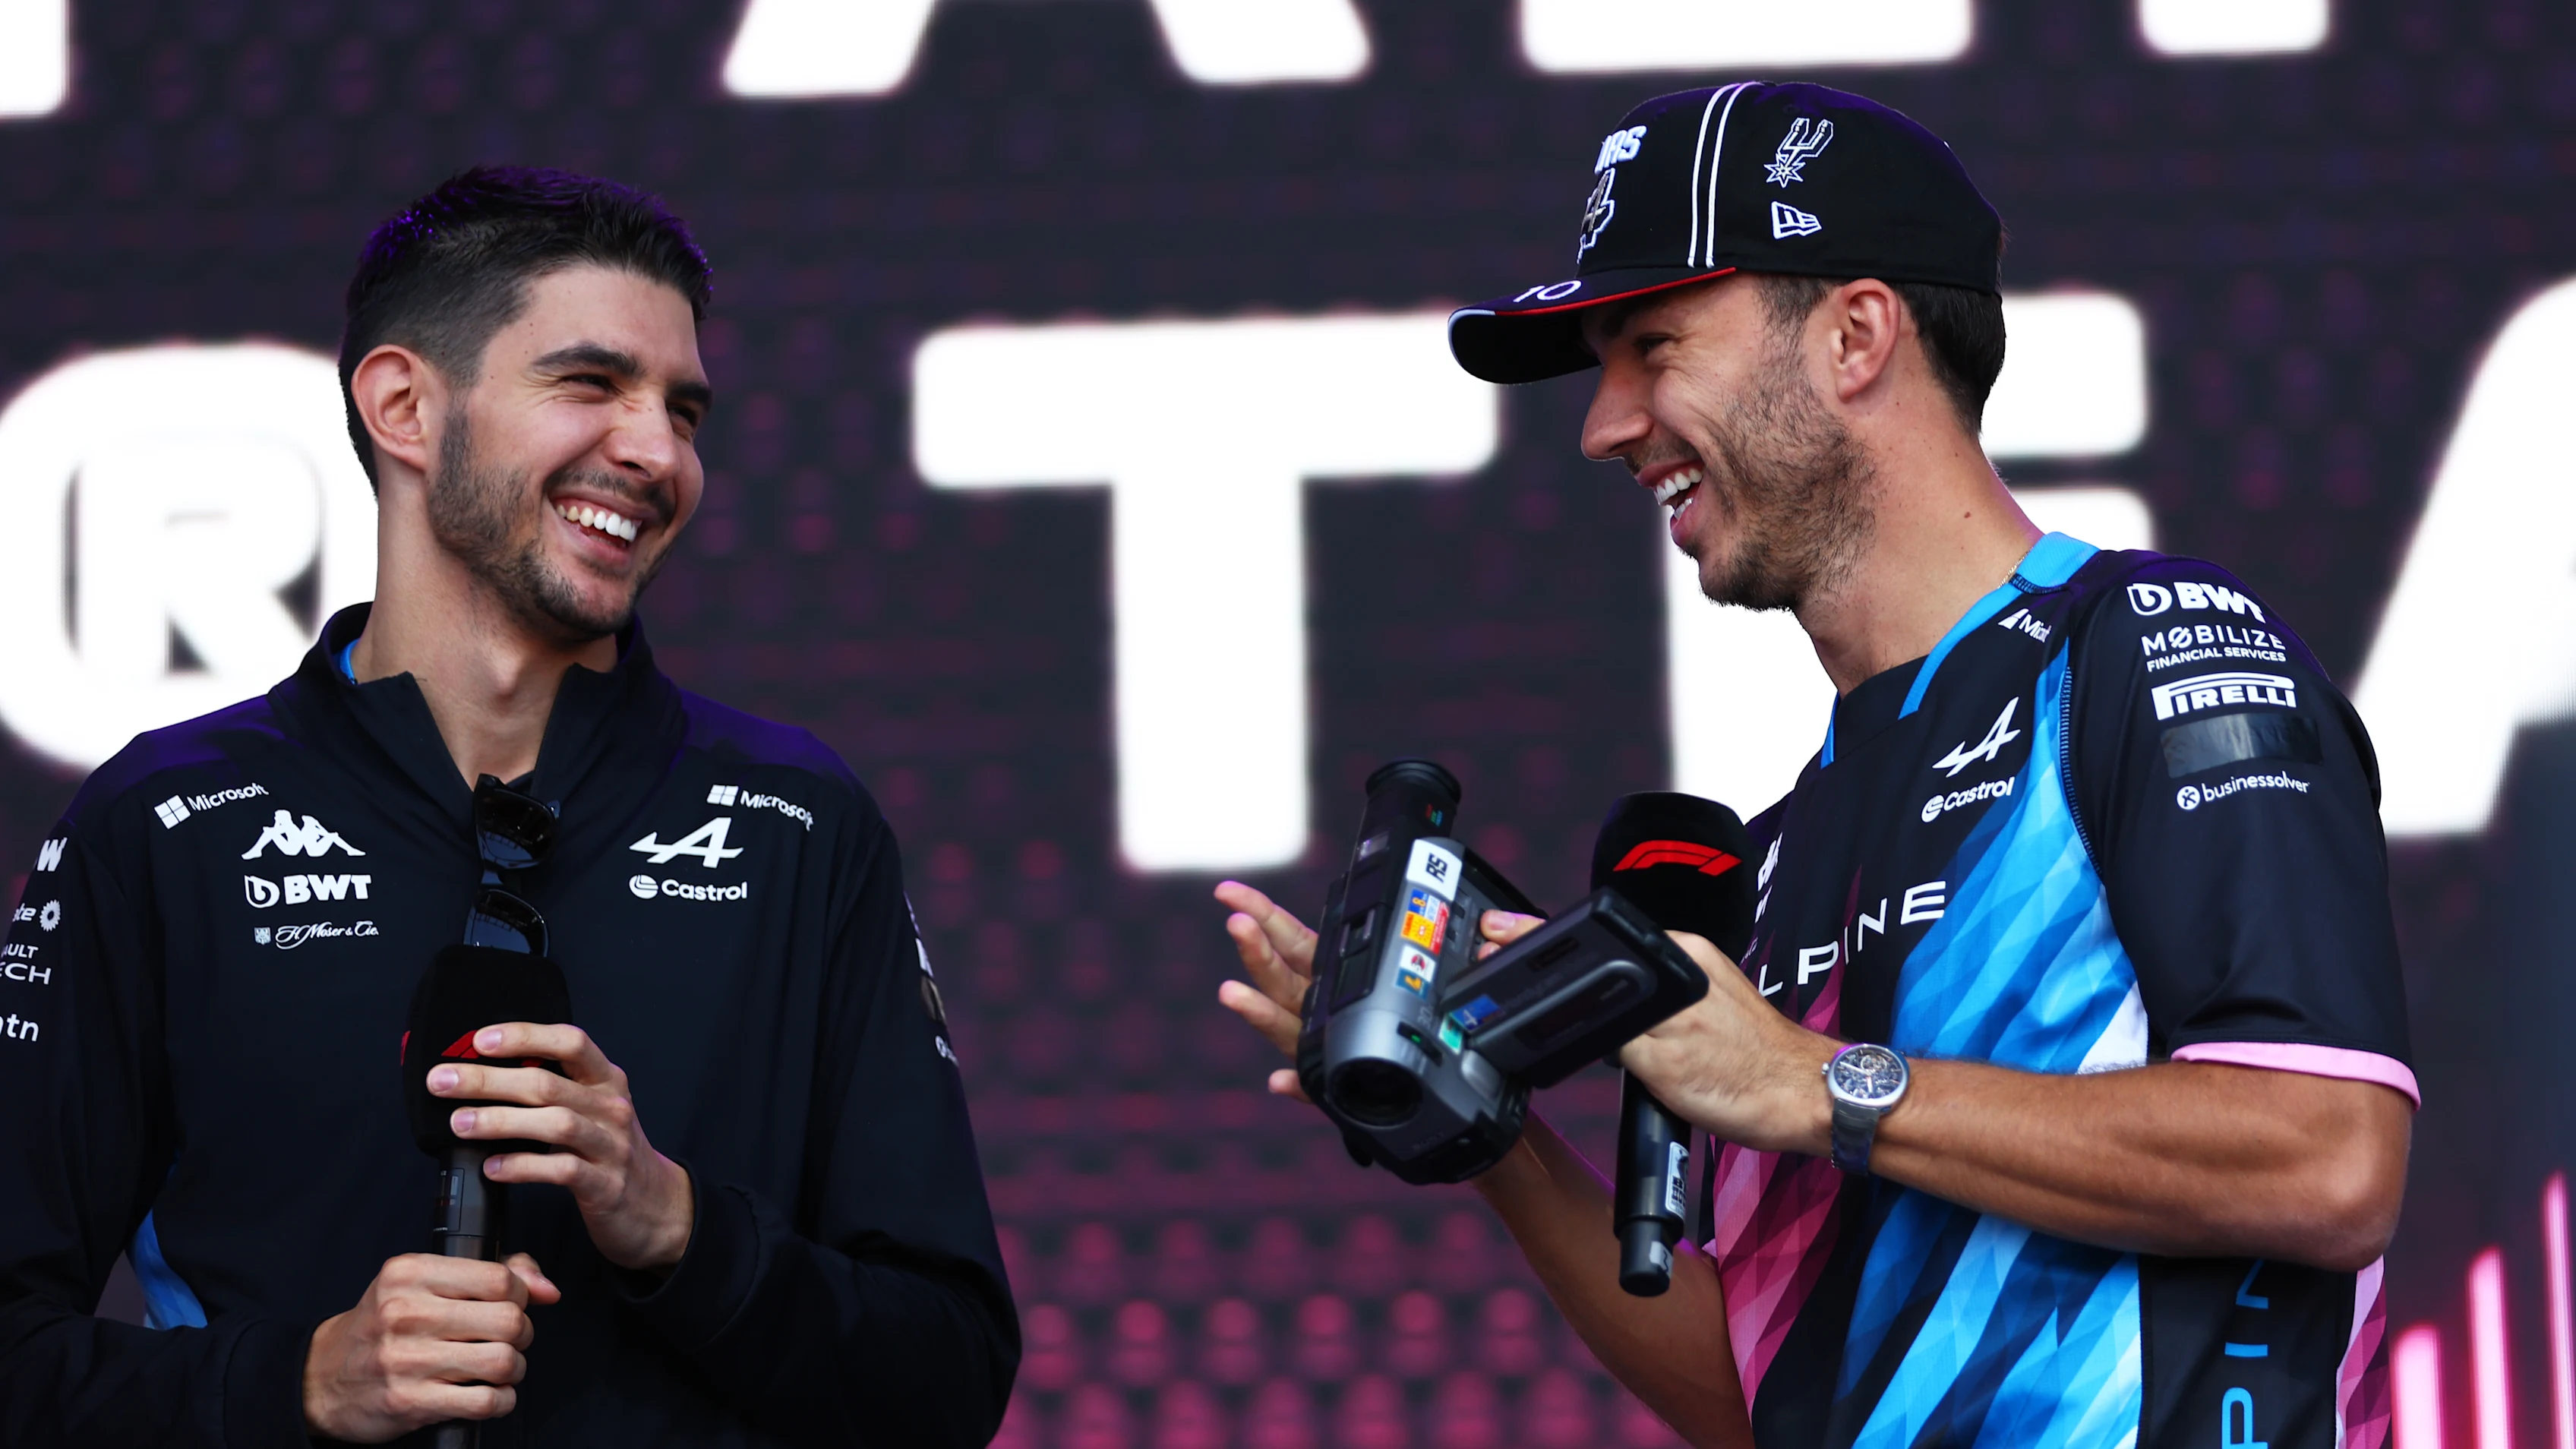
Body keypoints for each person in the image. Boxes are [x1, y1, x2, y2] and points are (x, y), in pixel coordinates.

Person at [1217, 83, 2411, 1449]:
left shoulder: (2146, 653)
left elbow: (2328, 1155)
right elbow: (1765, 1392)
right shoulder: (1776, 854)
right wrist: (1483, 1131)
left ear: (1854, 336)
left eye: (1652, 346)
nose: (1607, 425)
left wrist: (1818, 1083)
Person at [0, 168, 1016, 1447]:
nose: (659, 454)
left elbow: (951, 1377)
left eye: (684, 411)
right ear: (405, 406)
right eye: (592, 386)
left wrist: (678, 1229)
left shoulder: (799, 823)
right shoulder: (164, 823)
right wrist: (299, 1384)